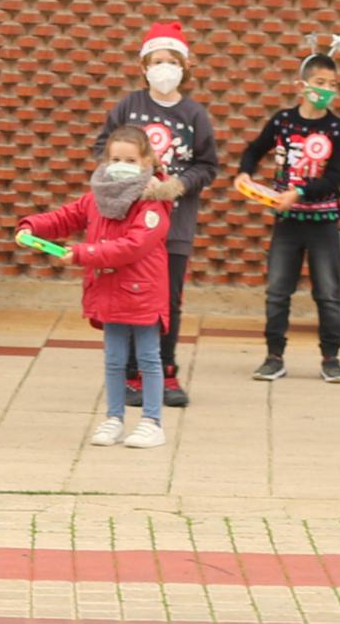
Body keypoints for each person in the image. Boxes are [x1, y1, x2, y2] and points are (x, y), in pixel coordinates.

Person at [22, 125, 180, 450]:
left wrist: (83, 253)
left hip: (142, 292)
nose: (121, 164)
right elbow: (66, 217)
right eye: (115, 158)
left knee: (149, 358)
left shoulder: (153, 203)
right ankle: (114, 418)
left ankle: (152, 421)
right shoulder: (99, 196)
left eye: (130, 159)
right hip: (109, 289)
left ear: (147, 160)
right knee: (114, 358)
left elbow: (132, 246)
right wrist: (32, 225)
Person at [93, 21, 218, 409]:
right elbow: (103, 148)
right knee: (129, 294)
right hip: (128, 224)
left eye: (171, 61)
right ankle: (131, 371)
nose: (164, 68)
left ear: (185, 65)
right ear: (143, 64)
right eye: (156, 61)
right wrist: (125, 178)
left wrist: (175, 186)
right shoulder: (128, 107)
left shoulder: (194, 114)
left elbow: (207, 165)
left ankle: (164, 368)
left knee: (168, 299)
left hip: (174, 225)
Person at [238, 40, 340, 383]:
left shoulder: (337, 129)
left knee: (328, 292)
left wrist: (299, 191)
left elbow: (333, 178)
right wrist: (244, 173)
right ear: (301, 86)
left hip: (323, 222)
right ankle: (274, 356)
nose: (327, 90)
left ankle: (331, 357)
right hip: (287, 221)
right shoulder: (283, 122)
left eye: (333, 85)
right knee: (277, 290)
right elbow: (255, 149)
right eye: (320, 83)